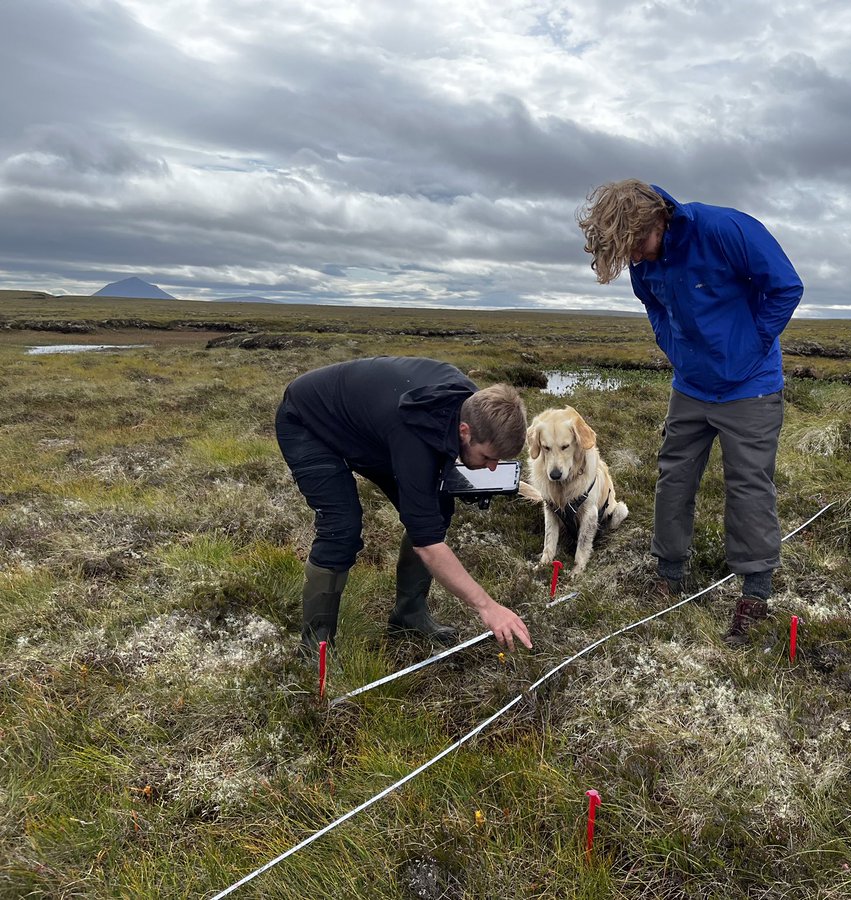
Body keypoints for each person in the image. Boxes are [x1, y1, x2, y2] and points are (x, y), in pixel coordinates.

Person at [577, 180, 804, 645]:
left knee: (748, 484)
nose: (636, 258)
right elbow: (654, 305)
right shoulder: (644, 259)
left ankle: (755, 594)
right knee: (674, 475)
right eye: (628, 253)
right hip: (691, 386)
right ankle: (669, 573)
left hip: (750, 387)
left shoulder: (725, 229)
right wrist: (675, 350)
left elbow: (786, 286)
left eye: (638, 245)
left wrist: (748, 348)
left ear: (658, 219)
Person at [274, 356, 533, 654]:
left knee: (437, 507)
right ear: (465, 431)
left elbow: (439, 464)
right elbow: (427, 544)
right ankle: (314, 647)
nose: (491, 468)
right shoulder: (414, 437)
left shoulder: (474, 406)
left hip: (370, 428)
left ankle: (409, 616)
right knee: (341, 527)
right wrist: (487, 606)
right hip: (307, 421)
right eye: (488, 458)